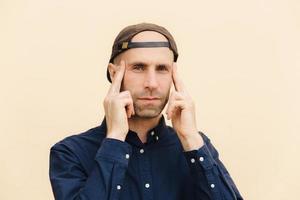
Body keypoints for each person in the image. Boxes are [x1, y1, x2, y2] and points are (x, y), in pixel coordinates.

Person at [49, 22, 243, 200]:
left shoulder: (197, 147)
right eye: (139, 67)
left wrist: (191, 138)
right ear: (113, 73)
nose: (152, 83)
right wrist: (115, 138)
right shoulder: (70, 152)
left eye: (162, 69)